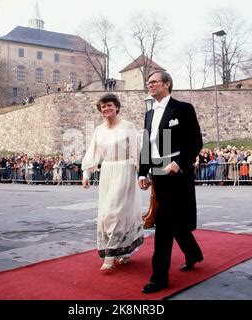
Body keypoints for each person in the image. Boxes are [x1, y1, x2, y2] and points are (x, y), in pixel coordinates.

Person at [138, 70, 204, 293]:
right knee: (173, 221)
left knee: (164, 224)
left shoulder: (183, 109)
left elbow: (195, 142)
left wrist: (179, 162)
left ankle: (159, 278)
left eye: (155, 81)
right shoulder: (149, 113)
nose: (150, 85)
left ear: (167, 84)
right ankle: (193, 253)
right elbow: (147, 145)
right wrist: (142, 172)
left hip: (177, 173)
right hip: (157, 173)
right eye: (148, 82)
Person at [82, 94, 144, 271]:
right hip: (107, 171)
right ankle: (122, 251)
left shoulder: (128, 127)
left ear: (116, 107)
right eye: (103, 107)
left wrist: (143, 174)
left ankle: (110, 256)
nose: (106, 109)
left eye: (109, 105)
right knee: (106, 214)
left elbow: (137, 152)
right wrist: (86, 173)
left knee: (116, 212)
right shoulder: (99, 130)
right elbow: (92, 152)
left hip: (125, 170)